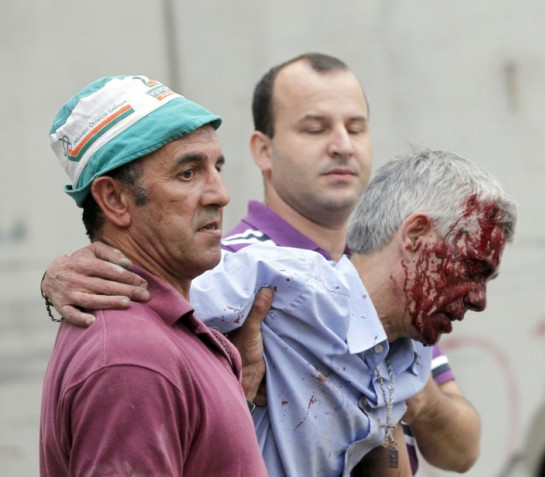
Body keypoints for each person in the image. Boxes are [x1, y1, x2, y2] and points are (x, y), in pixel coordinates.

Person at [40, 53, 481, 473]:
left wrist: (389, 378)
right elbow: (134, 333)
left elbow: (463, 451)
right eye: (315, 128)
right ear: (264, 151)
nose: (342, 145)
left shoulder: (388, 278)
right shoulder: (227, 276)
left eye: (356, 127)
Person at [189, 147, 517, 476]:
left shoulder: (412, 357)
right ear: (416, 234)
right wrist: (135, 273)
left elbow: (456, 455)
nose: (479, 299)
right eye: (472, 269)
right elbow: (151, 308)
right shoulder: (281, 281)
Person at [39, 75, 267, 476]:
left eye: (216, 167)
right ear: (114, 199)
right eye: (187, 173)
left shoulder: (157, 334)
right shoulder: (131, 360)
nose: (221, 194)